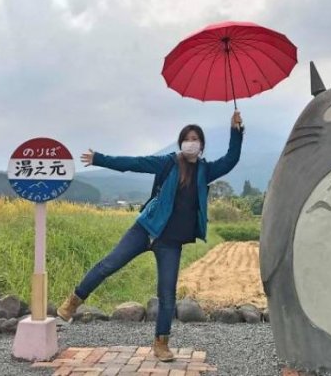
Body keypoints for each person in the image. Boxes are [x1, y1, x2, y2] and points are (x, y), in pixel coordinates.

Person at [57, 111, 244, 361]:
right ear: (181, 143)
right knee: (108, 264)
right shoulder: (168, 163)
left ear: (201, 146)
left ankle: (161, 343)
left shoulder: (204, 171)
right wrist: (99, 158)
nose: (191, 142)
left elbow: (231, 159)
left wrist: (236, 131)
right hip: (145, 230)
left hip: (171, 243)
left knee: (167, 294)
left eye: (196, 139)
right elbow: (134, 163)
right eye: (187, 138)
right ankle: (72, 302)